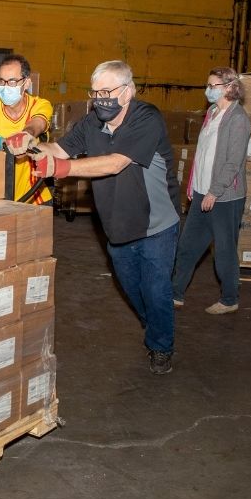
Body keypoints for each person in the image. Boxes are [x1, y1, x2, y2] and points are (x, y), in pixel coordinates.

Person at [14, 60, 181, 374]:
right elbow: (60, 150)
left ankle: (161, 346)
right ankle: (158, 323)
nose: (100, 98)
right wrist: (32, 146)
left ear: (128, 91)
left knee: (157, 289)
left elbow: (116, 163)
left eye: (108, 91)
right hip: (117, 226)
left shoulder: (146, 118)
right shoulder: (91, 123)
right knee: (133, 288)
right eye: (95, 92)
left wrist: (65, 170)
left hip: (156, 224)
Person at [171, 67, 251, 315]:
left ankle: (229, 299)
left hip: (224, 197)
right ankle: (175, 294)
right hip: (202, 192)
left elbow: (233, 162)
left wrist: (214, 192)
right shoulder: (212, 113)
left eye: (212, 85)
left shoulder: (238, 119)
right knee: (188, 246)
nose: (208, 90)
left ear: (229, 87)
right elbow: (203, 153)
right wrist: (196, 185)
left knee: (224, 250)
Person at [0, 54, 53, 205]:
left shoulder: (40, 105)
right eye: (1, 81)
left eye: (12, 81)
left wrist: (25, 135)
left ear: (26, 83)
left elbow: (37, 124)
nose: (5, 87)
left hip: (34, 198)